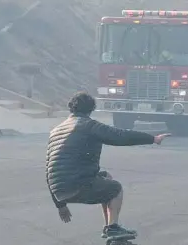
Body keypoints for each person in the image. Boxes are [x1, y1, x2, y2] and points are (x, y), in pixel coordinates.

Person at [46, 92, 170, 239]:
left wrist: (60, 204)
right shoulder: (88, 125)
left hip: (59, 190)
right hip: (78, 184)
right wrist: (152, 139)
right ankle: (112, 228)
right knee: (115, 188)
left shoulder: (56, 131)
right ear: (91, 109)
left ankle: (109, 227)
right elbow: (120, 136)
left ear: (71, 108)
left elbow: (49, 171)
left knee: (106, 178)